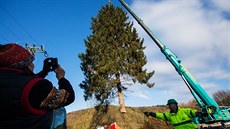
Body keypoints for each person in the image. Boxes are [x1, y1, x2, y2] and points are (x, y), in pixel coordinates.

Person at [0, 43, 75, 129]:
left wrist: (44, 71)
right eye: (30, 61)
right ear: (24, 64)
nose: (33, 65)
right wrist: (61, 78)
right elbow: (68, 97)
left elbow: (19, 82)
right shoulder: (38, 87)